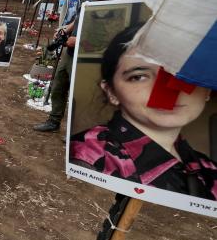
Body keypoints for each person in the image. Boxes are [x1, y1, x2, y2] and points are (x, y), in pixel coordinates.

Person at [70, 25, 216, 199]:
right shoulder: (85, 157)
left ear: (207, 89)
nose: (165, 92)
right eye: (138, 77)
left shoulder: (209, 168)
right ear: (111, 91)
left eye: (180, 75)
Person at [34, 0, 120, 132]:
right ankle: (54, 120)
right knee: (58, 86)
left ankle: (78, 131)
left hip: (89, 59)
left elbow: (110, 39)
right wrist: (65, 30)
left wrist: (79, 42)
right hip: (70, 54)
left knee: (81, 95)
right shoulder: (88, 1)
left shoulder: (113, 8)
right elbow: (77, 20)